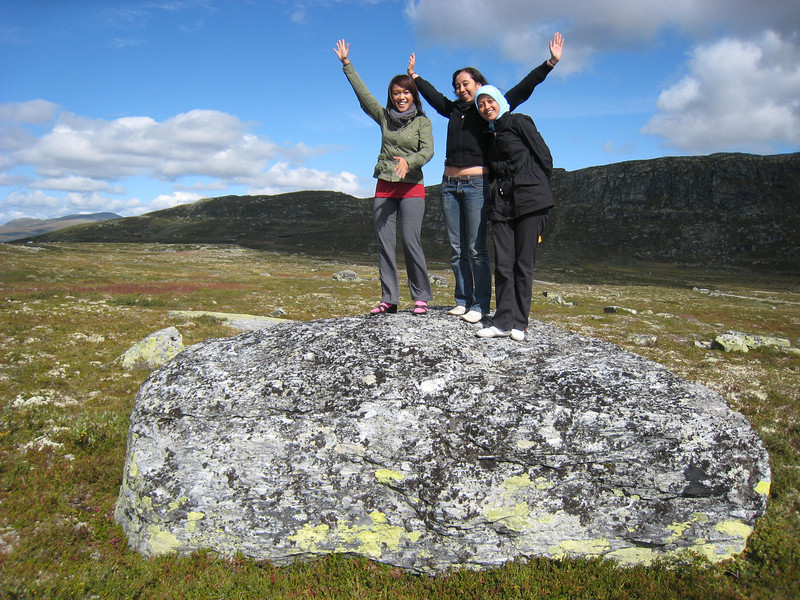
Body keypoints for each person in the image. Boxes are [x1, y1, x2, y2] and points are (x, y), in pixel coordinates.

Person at [407, 33, 563, 325]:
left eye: (466, 83)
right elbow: (434, 97)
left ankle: (480, 304)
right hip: (449, 185)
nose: (461, 89)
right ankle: (462, 300)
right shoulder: (453, 110)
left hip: (476, 184)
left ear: (479, 84)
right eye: (457, 86)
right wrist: (415, 78)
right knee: (457, 248)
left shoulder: (486, 110)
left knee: (477, 248)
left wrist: (550, 63)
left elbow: (522, 89)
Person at [334, 39, 435, 316]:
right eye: (395, 93)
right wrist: (347, 65)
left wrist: (409, 161)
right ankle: (389, 299)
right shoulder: (384, 117)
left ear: (413, 95)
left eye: (405, 92)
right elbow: (365, 96)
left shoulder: (422, 122)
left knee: (410, 241)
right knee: (384, 244)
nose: (400, 97)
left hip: (412, 187)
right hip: (385, 187)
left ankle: (421, 297)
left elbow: (428, 151)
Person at [472, 85, 555, 341]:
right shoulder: (489, 135)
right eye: (481, 104)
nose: (486, 107)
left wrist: (536, 187)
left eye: (489, 101)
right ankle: (502, 321)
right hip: (502, 204)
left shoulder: (519, 122)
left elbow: (544, 157)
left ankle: (520, 323)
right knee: (504, 264)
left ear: (499, 101)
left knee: (523, 264)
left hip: (531, 201)